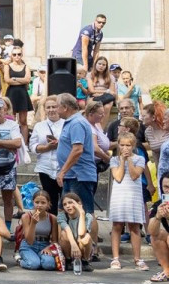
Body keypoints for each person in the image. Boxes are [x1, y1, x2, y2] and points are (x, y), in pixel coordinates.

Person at [55, 93, 100, 236]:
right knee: (68, 211)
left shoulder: (77, 123)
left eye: (57, 106)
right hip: (72, 174)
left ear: (65, 107)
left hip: (79, 175)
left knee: (86, 211)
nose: (55, 109)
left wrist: (62, 171)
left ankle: (92, 248)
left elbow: (77, 149)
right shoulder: (72, 122)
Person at [107, 133, 148, 270]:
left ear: (133, 146)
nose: (125, 148)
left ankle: (137, 258)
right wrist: (122, 161)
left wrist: (129, 160)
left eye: (128, 145)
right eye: (122, 145)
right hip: (119, 196)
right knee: (117, 226)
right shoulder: (114, 160)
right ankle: (115, 258)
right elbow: (117, 177)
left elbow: (135, 175)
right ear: (118, 145)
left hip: (133, 196)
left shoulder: (140, 159)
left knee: (134, 227)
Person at [30, 97, 64, 209]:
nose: (51, 110)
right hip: (46, 168)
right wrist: (46, 147)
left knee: (66, 200)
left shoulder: (66, 124)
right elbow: (33, 146)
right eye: (48, 107)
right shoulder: (39, 126)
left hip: (63, 168)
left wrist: (60, 145)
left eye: (54, 106)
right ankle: (52, 225)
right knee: (50, 201)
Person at [17, 190, 61, 270]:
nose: (39, 205)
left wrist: (49, 248)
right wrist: (33, 224)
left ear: (48, 204)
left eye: (43, 203)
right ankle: (20, 260)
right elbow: (29, 240)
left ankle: (38, 259)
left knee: (49, 265)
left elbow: (54, 240)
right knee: (33, 264)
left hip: (44, 244)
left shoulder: (52, 218)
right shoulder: (26, 216)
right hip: (29, 246)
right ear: (33, 202)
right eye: (37, 202)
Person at [57, 192, 95, 273]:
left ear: (79, 204)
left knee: (86, 237)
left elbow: (81, 233)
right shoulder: (62, 216)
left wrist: (81, 213)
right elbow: (67, 229)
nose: (67, 206)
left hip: (81, 245)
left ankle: (85, 261)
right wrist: (73, 245)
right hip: (70, 245)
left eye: (70, 203)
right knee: (64, 234)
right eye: (65, 204)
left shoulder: (87, 216)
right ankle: (68, 261)